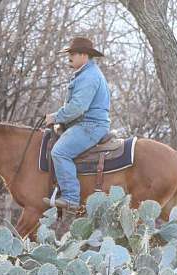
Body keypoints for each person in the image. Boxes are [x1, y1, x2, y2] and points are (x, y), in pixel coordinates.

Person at [43, 36, 111, 211]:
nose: (69, 57)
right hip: (86, 124)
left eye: (72, 53)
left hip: (90, 125)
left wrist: (56, 117)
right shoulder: (86, 74)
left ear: (84, 55)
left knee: (60, 152)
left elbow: (78, 107)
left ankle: (71, 198)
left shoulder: (89, 76)